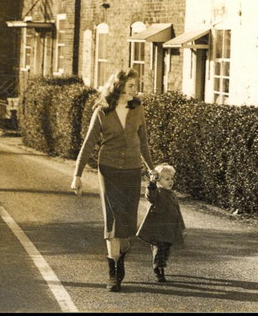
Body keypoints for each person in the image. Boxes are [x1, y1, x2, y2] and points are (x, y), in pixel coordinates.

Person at [72, 69, 154, 293]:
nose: (134, 90)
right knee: (112, 220)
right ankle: (113, 273)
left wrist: (151, 168)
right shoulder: (102, 111)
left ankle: (121, 255)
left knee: (127, 223)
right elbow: (88, 143)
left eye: (135, 86)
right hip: (108, 170)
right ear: (118, 87)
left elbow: (144, 142)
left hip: (132, 170)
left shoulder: (138, 109)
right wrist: (76, 175)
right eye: (130, 86)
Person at [136, 164, 186, 282]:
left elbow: (176, 211)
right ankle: (158, 269)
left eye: (171, 179)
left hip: (169, 228)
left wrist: (180, 226)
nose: (170, 182)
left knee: (166, 249)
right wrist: (152, 184)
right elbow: (150, 196)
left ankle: (161, 264)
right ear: (158, 181)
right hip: (158, 228)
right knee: (159, 248)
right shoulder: (157, 192)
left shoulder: (172, 195)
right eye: (167, 179)